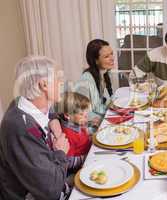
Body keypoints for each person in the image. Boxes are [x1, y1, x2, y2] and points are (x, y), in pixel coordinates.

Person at [0, 56, 71, 200]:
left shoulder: (21, 102)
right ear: (44, 85)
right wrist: (61, 152)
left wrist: (55, 122)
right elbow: (52, 190)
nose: (61, 82)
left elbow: (49, 112)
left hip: (57, 181)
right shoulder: (20, 128)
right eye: (58, 78)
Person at [49, 92, 92, 169]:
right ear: (67, 115)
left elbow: (84, 138)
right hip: (83, 165)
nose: (86, 118)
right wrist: (86, 158)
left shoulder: (76, 123)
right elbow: (68, 161)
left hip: (90, 152)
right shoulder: (68, 135)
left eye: (86, 114)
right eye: (82, 114)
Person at [76, 39, 114, 124]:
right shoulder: (86, 81)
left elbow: (102, 103)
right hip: (91, 130)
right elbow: (80, 113)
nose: (112, 58)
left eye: (111, 54)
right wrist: (106, 121)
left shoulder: (103, 74)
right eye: (106, 56)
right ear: (96, 60)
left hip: (102, 121)